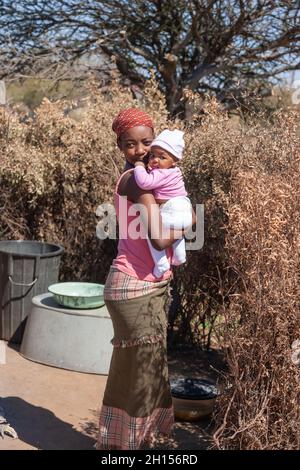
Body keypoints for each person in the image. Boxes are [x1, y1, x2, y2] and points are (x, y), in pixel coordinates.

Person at [96, 108, 195, 450]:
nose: (140, 152)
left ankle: (134, 443)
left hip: (141, 285)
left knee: (142, 372)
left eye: (147, 143)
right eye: (130, 145)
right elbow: (158, 238)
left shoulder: (138, 178)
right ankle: (127, 448)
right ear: (120, 146)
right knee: (140, 377)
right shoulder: (136, 182)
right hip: (135, 287)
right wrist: (190, 221)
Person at [134, 129, 193, 278]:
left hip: (172, 208)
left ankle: (161, 264)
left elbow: (144, 182)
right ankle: (179, 257)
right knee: (175, 230)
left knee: (151, 233)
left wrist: (139, 166)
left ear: (174, 161)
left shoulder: (161, 173)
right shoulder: (175, 171)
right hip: (185, 208)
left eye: (162, 157)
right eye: (153, 155)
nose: (155, 160)